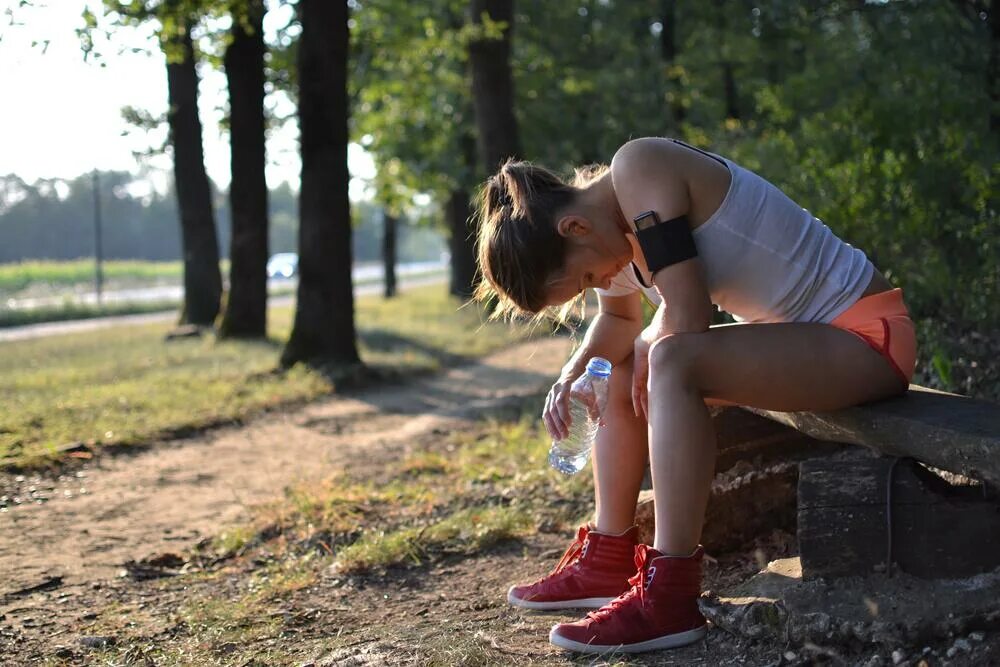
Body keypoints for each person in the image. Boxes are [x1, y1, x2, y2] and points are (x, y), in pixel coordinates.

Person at [472, 137, 916, 654]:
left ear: (574, 228)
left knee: (668, 358)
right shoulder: (607, 224)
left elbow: (685, 315)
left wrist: (640, 349)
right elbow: (619, 321)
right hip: (804, 346)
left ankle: (669, 597)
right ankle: (608, 555)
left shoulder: (639, 169)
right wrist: (575, 370)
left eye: (587, 276)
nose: (603, 281)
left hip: (864, 338)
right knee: (619, 366)